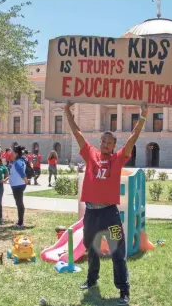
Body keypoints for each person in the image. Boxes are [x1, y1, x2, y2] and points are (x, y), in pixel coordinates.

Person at [65, 102, 148, 306]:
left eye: (108, 142)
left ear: (113, 145)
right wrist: (68, 111)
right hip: (91, 214)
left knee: (118, 250)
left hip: (110, 213)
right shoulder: (90, 154)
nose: (104, 144)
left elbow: (132, 139)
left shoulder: (118, 159)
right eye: (102, 141)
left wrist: (143, 116)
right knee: (90, 248)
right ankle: (92, 280)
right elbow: (77, 133)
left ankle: (123, 290)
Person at [9, 146, 29, 228]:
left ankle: (20, 223)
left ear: (16, 154)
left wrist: (25, 180)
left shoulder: (18, 162)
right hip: (17, 185)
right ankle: (20, 222)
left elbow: (21, 170)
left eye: (12, 152)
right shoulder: (18, 161)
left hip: (18, 185)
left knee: (19, 203)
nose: (10, 154)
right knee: (19, 203)